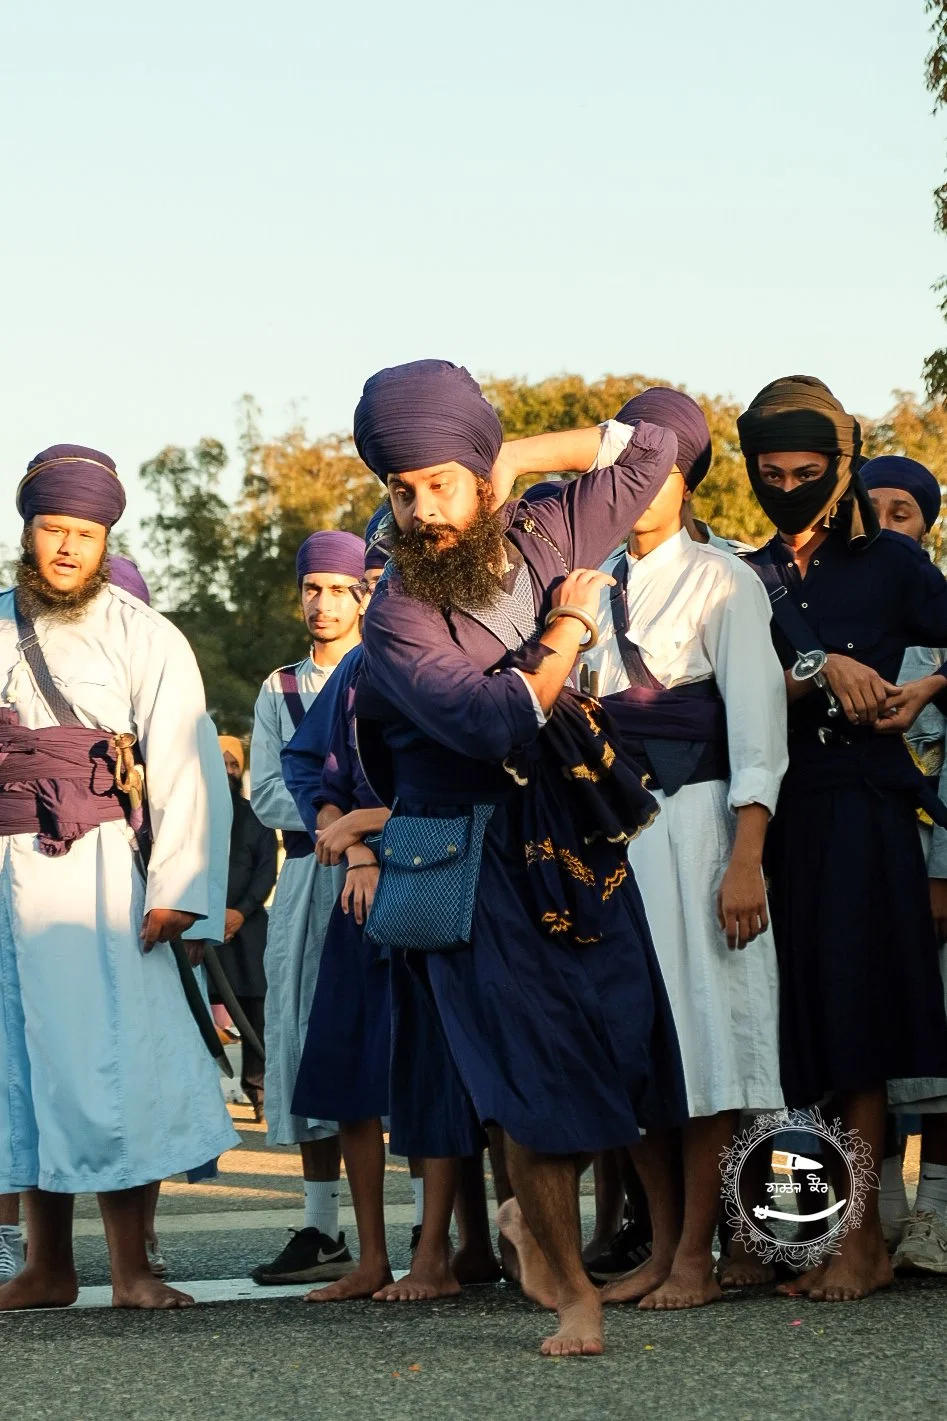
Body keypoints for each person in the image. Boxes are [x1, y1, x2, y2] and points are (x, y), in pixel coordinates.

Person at [353, 359, 687, 1357]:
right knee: (529, 1067)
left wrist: (510, 456)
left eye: (440, 482)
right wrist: (569, 625)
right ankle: (572, 1288)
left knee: (619, 1041)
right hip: (474, 854)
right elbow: (492, 715)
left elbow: (659, 437)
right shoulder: (395, 612)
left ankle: (534, 1228)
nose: (419, 511)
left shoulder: (547, 524)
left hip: (577, 837)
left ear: (479, 472)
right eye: (399, 490)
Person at [0, 444, 239, 1312]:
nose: (66, 546)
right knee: (22, 1069)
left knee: (110, 1064)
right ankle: (44, 1266)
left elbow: (185, 762)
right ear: (28, 531)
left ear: (107, 541)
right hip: (2, 872)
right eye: (52, 528)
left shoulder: (145, 634)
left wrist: (178, 884)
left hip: (98, 876)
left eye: (85, 533)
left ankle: (135, 1268)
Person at [739, 378, 947, 1302]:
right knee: (795, 1030)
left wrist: (921, 690)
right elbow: (722, 701)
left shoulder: (892, 566)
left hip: (865, 804)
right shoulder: (740, 575)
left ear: (841, 468)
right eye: (769, 471)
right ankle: (810, 1235)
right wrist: (818, 669)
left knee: (861, 1022)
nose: (787, 485)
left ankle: (862, 1240)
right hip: (776, 812)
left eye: (806, 471)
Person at [578, 390, 787, 1311]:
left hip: (700, 825)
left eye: (655, 469)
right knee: (634, 1044)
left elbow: (757, 733)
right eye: (622, 467)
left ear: (685, 475)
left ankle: (698, 1255)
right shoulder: (584, 580)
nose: (638, 486)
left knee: (704, 1041)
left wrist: (745, 858)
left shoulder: (724, 579)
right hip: (611, 838)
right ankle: (660, 1248)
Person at [249, 530, 367, 1286]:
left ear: (365, 594)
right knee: (301, 1036)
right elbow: (264, 791)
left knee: (388, 1035)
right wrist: (335, 817)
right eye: (311, 588)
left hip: (382, 869)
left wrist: (351, 820)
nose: (322, 603)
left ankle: (428, 1220)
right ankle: (321, 1226)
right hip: (307, 872)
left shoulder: (386, 669)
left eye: (338, 588)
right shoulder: (279, 688)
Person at [858, 455, 947, 1275]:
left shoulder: (935, 625)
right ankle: (872, 1215)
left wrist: (941, 871)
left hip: (930, 861)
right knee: (867, 1044)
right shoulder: (840, 610)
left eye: (904, 512)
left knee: (937, 1045)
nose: (887, 525)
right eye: (872, 510)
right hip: (859, 855)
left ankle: (935, 1216)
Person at [218, 735, 278, 1124]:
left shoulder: (258, 818)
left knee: (256, 1009)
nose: (227, 771)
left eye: (233, 765)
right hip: (198, 927)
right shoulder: (189, 816)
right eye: (219, 763)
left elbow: (265, 872)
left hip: (248, 926)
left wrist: (239, 912)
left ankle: (258, 1093)